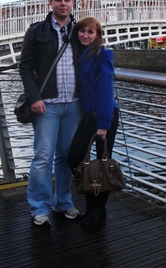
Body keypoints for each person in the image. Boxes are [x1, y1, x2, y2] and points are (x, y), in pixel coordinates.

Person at [19, 0, 82, 226]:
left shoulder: (80, 31)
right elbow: (25, 67)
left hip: (74, 105)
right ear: (50, 3)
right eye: (58, 0)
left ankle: (63, 202)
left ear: (73, 2)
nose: (63, 3)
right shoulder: (37, 31)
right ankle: (39, 207)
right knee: (43, 157)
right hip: (47, 105)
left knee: (66, 157)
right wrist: (34, 97)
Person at [67, 16, 119, 227]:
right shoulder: (81, 54)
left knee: (103, 164)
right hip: (88, 116)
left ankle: (98, 210)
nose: (85, 35)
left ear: (98, 35)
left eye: (90, 32)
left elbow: (106, 90)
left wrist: (104, 124)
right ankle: (92, 207)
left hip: (104, 117)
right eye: (82, 31)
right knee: (75, 160)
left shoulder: (103, 55)